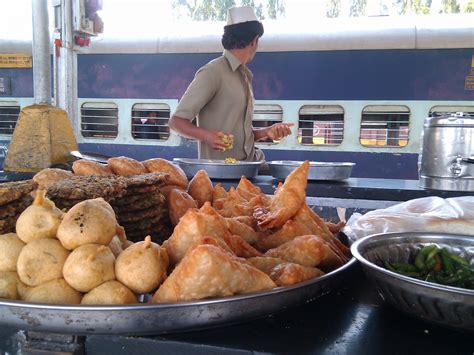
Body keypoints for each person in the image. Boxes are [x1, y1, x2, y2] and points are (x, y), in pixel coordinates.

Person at [168, 5, 293, 162]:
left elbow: (241, 135)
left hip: (248, 167)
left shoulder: (244, 75)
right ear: (254, 41)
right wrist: (207, 136)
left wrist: (266, 132)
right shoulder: (212, 72)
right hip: (222, 174)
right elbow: (176, 122)